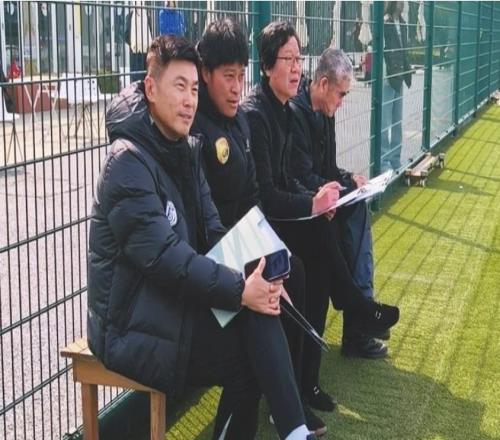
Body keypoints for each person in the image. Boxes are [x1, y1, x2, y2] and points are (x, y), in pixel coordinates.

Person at [86, 35, 316, 440]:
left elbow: (214, 233)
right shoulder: (126, 163)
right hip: (130, 325)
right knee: (246, 354)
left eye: (194, 89)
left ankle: (295, 431)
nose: (190, 100)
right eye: (180, 86)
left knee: (260, 310)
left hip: (176, 304)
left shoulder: (186, 150)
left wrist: (258, 277)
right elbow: (166, 259)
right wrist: (240, 289)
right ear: (150, 88)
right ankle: (295, 430)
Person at [241, 21, 400, 412]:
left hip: (284, 216)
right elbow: (271, 192)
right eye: (288, 60)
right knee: (317, 247)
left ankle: (311, 378)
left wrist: (335, 189)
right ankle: (357, 309)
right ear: (266, 66)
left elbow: (299, 177)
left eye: (299, 59)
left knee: (335, 234)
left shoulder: (284, 109)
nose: (297, 68)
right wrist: (315, 202)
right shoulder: (263, 113)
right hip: (260, 228)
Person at [191, 19, 327, 436]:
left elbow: (252, 200)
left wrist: (267, 255)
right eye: (227, 77)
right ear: (205, 74)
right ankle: (291, 417)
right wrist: (251, 269)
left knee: (289, 272)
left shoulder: (238, 123)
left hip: (235, 252)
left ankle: (293, 402)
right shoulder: (196, 133)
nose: (236, 88)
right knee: (261, 308)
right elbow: (203, 228)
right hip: (211, 268)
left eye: (240, 76)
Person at [290, 47, 391, 359]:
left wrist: (350, 179)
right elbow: (300, 176)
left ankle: (359, 320)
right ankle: (360, 319)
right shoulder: (295, 113)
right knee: (349, 225)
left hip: (321, 198)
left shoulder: (324, 112)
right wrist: (340, 187)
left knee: (358, 210)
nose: (342, 102)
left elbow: (329, 169)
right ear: (323, 85)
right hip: (301, 206)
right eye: (341, 94)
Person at [381, 0, 412, 172]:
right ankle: (384, 161)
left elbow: (403, 50)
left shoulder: (403, 23)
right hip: (388, 76)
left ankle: (394, 158)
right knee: (385, 121)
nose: (403, 3)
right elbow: (382, 49)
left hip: (399, 76)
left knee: (397, 120)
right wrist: (386, 73)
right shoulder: (385, 22)